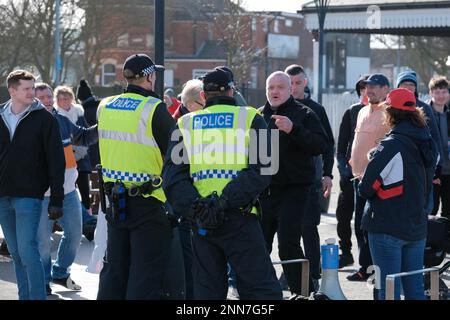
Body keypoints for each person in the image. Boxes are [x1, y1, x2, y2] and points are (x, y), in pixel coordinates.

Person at [163, 68, 282, 300]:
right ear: (232, 91)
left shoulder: (184, 124)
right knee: (261, 291)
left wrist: (197, 208)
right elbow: (265, 169)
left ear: (204, 96)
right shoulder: (251, 118)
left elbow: (173, 178)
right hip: (240, 218)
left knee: (206, 293)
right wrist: (224, 201)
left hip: (201, 222)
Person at [96, 53, 175, 300]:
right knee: (146, 272)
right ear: (150, 77)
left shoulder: (105, 105)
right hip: (149, 202)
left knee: (115, 269)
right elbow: (179, 153)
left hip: (115, 201)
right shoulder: (154, 109)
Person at [359, 88, 438, 300]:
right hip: (417, 227)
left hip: (388, 227)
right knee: (414, 290)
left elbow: (365, 188)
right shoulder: (428, 142)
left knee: (387, 290)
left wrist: (371, 161)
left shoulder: (391, 145)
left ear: (390, 112)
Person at [259, 71, 327, 298]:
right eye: (271, 88)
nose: (275, 92)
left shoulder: (303, 113)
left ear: (290, 90)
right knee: (258, 246)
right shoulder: (258, 116)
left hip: (295, 190)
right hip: (264, 191)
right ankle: (261, 294)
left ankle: (304, 293)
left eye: (280, 87)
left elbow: (321, 144)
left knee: (288, 244)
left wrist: (293, 130)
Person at [0, 70, 65, 300]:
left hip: (29, 196)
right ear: (12, 90)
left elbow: (57, 161)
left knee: (28, 251)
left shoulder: (45, 119)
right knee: (16, 253)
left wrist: (57, 199)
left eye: (33, 87)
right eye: (26, 88)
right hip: (2, 197)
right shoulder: (0, 115)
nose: (32, 92)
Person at [35, 83, 98, 295]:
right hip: (41, 196)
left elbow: (84, 137)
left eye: (47, 96)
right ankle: (43, 280)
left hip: (69, 193)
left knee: (74, 234)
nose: (45, 100)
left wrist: (104, 126)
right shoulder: (29, 125)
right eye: (40, 97)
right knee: (42, 243)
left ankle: (60, 272)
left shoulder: (62, 121)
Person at [285, 64, 335, 290]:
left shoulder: (315, 110)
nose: (294, 87)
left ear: (305, 82)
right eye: (290, 83)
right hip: (282, 182)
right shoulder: (278, 107)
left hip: (310, 179)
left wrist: (327, 173)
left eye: (297, 83)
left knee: (308, 228)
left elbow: (328, 144)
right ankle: (291, 274)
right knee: (287, 232)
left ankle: (313, 273)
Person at [348, 73, 391, 282]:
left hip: (378, 181)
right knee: (359, 226)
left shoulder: (391, 113)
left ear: (385, 89)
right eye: (367, 86)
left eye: (374, 86)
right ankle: (364, 267)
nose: (369, 90)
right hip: (358, 179)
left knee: (375, 228)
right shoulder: (362, 111)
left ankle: (378, 271)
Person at [396, 70, 442, 215]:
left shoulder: (424, 108)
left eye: (412, 84)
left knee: (422, 208)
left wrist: (436, 166)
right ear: (398, 86)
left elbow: (435, 138)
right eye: (405, 84)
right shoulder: (390, 107)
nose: (409, 87)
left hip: (422, 166)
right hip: (396, 166)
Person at [335, 74, 369, 268]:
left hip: (369, 176)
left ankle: (365, 260)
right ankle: (345, 252)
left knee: (362, 219)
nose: (366, 93)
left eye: (369, 89)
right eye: (362, 89)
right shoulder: (352, 111)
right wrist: (344, 168)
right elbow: (341, 146)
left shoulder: (381, 112)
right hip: (349, 174)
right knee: (343, 214)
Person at [54, 86, 93, 216]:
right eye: (62, 99)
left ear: (72, 99)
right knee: (66, 191)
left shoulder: (79, 113)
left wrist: (79, 153)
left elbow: (84, 134)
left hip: (81, 160)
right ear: (57, 100)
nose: (65, 101)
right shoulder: (55, 116)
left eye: (68, 98)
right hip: (63, 160)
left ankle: (87, 218)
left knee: (84, 191)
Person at [427, 76, 450, 219]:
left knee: (448, 212)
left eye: (444, 92)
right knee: (431, 210)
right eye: (437, 92)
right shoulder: (424, 115)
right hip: (432, 173)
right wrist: (432, 172)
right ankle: (428, 242)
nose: (441, 96)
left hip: (448, 172)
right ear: (431, 93)